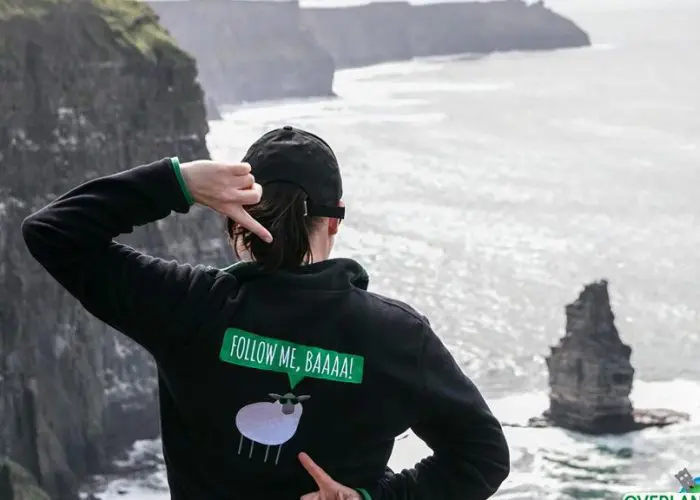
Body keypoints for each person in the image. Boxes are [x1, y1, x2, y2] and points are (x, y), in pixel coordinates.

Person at [22, 125, 510, 500]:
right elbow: (482, 457)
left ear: (233, 216)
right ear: (336, 217)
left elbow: (54, 232)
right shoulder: (397, 335)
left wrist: (180, 182)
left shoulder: (188, 306)